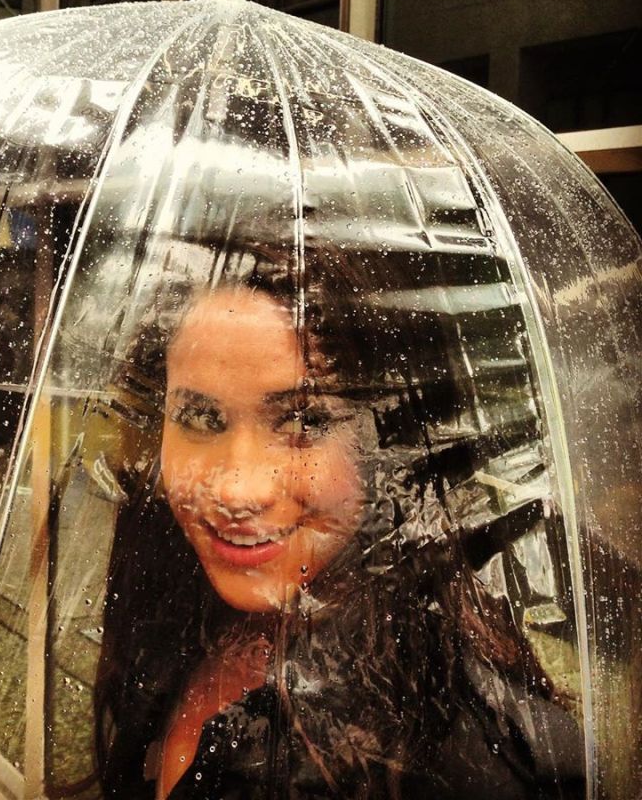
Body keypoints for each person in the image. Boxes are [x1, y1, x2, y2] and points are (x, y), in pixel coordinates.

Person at [92, 249, 586, 800]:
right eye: (200, 417)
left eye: (304, 420)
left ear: (392, 445)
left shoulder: (459, 752)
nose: (236, 490)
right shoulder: (172, 622)